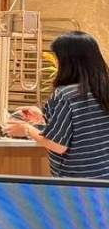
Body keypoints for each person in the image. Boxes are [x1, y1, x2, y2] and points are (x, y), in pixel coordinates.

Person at [7, 30, 109, 178]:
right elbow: (84, 130)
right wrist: (42, 118)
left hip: (77, 183)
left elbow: (58, 145)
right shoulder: (103, 90)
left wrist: (27, 129)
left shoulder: (66, 94)